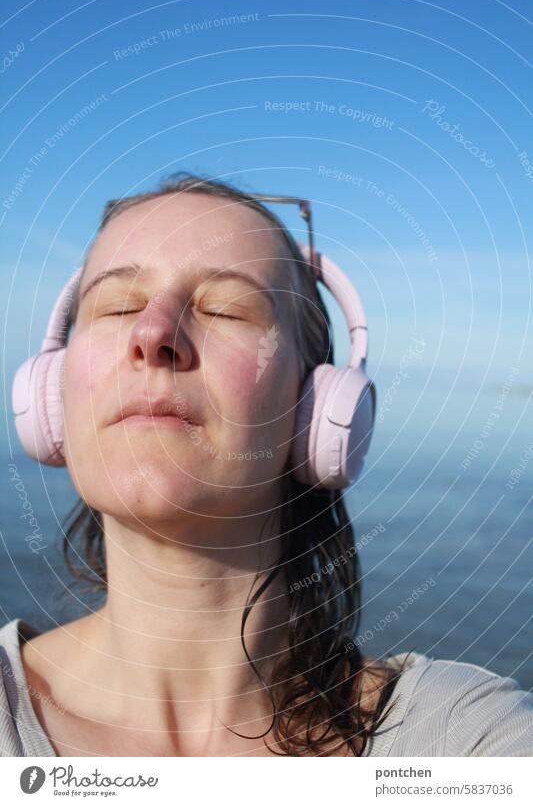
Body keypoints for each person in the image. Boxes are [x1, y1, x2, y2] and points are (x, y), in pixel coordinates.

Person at [2, 174, 532, 757]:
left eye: (225, 310)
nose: (153, 333)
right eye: (118, 305)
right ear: (53, 393)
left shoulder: (463, 739)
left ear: (319, 410)